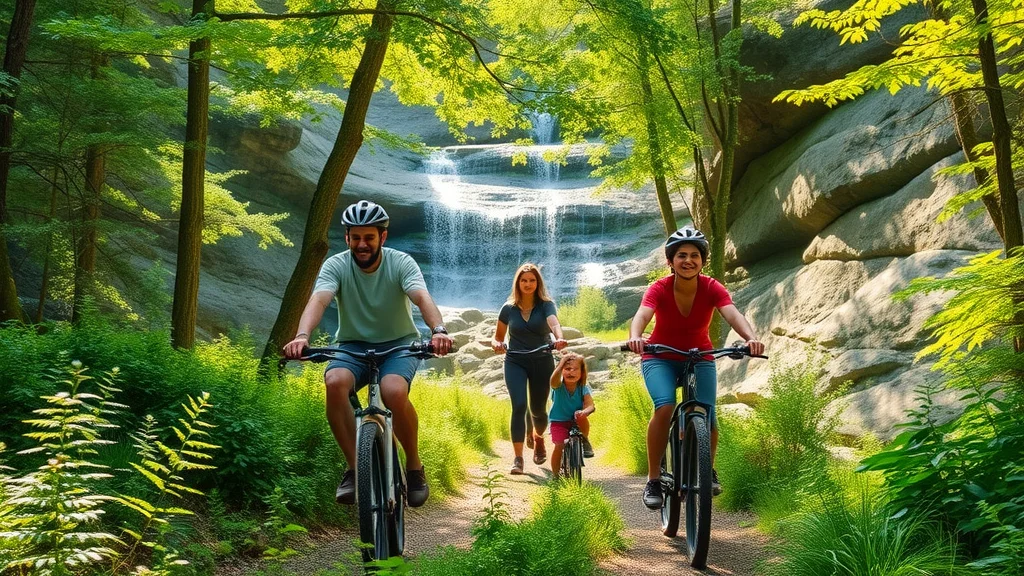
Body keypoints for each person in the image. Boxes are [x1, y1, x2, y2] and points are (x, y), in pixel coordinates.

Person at [283, 199, 453, 508]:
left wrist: (438, 330)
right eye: (356, 237)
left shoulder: (401, 262)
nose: (362, 244)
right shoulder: (335, 265)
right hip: (351, 345)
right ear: (347, 237)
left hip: (399, 344)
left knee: (392, 390)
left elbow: (421, 297)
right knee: (334, 382)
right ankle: (353, 467)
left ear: (382, 238)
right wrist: (302, 336)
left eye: (369, 237)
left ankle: (414, 466)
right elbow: (319, 300)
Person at [625, 226, 764, 510]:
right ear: (670, 261)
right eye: (681, 255)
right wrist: (636, 337)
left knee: (707, 413)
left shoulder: (713, 287)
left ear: (703, 261)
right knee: (664, 406)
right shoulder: (659, 288)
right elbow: (642, 314)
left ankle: (706, 468)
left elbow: (732, 313)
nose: (688, 260)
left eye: (694, 255)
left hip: (700, 356)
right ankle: (653, 478)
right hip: (659, 355)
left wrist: (750, 339)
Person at [490, 263, 568, 475]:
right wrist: (496, 344)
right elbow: (497, 337)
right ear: (518, 283)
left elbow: (554, 323)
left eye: (532, 280)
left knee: (538, 410)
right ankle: (517, 459)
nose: (528, 284)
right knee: (519, 405)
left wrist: (559, 338)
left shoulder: (546, 305)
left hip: (542, 360)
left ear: (538, 283)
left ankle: (538, 437)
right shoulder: (508, 308)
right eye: (524, 280)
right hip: (515, 360)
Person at [548, 352, 595, 480]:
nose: (571, 372)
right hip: (558, 421)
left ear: (582, 373)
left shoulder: (583, 388)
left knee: (581, 416)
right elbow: (553, 380)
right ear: (562, 371)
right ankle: (556, 475)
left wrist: (585, 411)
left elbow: (590, 405)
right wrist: (561, 362)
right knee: (559, 446)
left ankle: (584, 440)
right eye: (567, 369)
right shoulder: (558, 386)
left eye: (575, 369)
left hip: (576, 421)